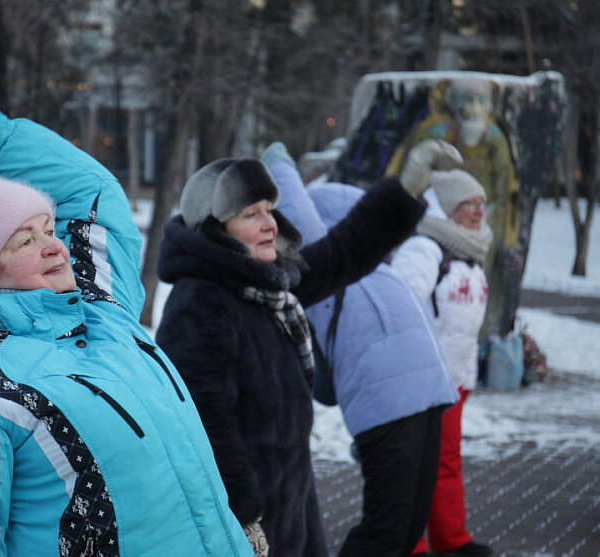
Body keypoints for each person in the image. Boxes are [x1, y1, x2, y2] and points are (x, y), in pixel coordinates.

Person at [0, 98, 255, 557]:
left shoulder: (103, 310)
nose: (53, 247)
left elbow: (93, 191)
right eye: (24, 240)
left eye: (48, 228)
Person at [154, 139, 462, 556]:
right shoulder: (201, 303)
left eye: (269, 209)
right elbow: (204, 427)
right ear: (215, 229)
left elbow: (345, 251)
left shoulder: (265, 285)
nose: (270, 224)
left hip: (290, 504)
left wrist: (407, 187)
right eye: (251, 214)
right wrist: (242, 519)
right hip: (246, 519)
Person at [261, 142, 459, 557]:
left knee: (402, 531)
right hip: (392, 402)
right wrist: (277, 162)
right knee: (387, 532)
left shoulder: (376, 273)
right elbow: (298, 209)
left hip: (419, 396)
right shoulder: (326, 270)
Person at [390, 170, 494, 557]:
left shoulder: (472, 252)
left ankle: (452, 541)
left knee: (447, 462)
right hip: (419, 384)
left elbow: (465, 329)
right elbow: (402, 310)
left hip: (454, 382)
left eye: (481, 203)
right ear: (449, 206)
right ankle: (411, 545)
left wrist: (467, 376)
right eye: (469, 203)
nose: (477, 211)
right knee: (414, 469)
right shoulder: (425, 249)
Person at [386, 77, 520, 339]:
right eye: (466, 99)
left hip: (484, 224)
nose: (473, 107)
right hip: (441, 214)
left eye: (480, 100)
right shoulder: (435, 131)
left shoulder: (494, 138)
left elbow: (506, 189)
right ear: (451, 103)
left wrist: (506, 234)